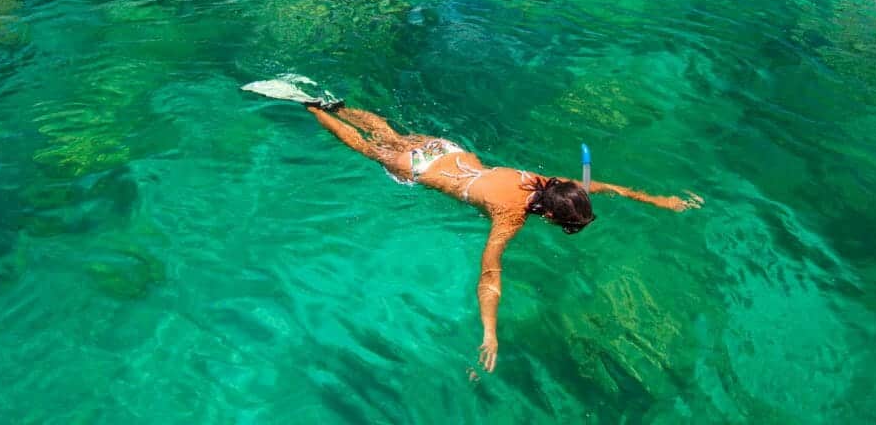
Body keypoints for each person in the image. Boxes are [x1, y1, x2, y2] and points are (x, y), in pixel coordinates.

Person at [243, 79, 702, 373]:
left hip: (447, 150)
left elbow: (599, 186)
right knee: (366, 150)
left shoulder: (543, 182)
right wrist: (490, 332)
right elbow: (490, 275)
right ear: (554, 215)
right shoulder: (511, 217)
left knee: (387, 135)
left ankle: (335, 103)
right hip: (420, 170)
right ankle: (311, 108)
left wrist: (655, 200)